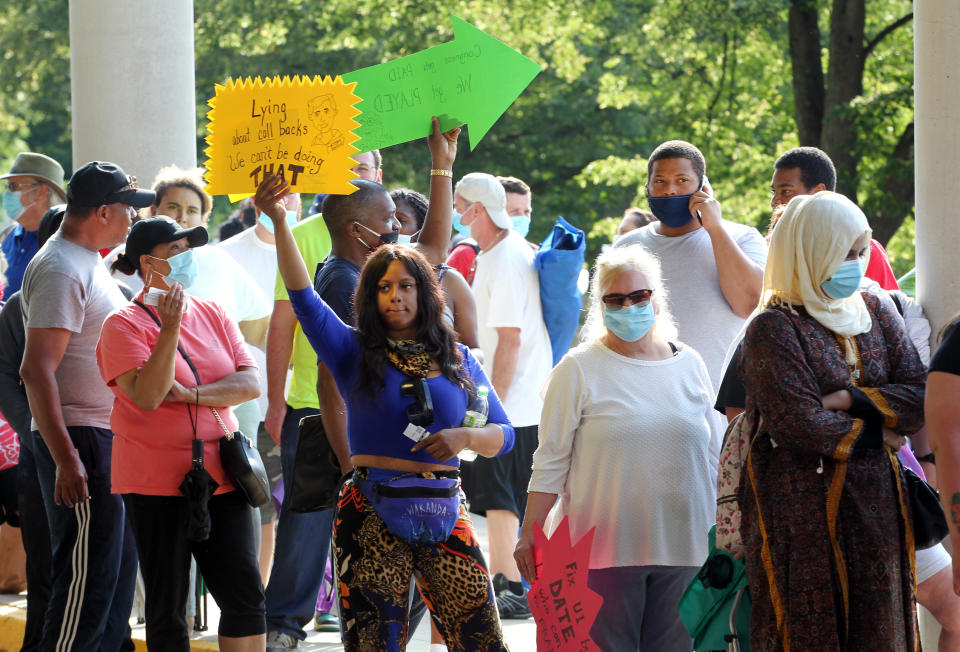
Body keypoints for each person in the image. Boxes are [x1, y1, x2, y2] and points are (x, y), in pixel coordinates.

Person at [257, 169, 515, 651]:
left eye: (405, 286)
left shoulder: (456, 359)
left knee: (483, 643)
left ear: (424, 292)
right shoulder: (353, 352)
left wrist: (466, 438)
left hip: (446, 509)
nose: (395, 295)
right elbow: (303, 299)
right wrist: (278, 219)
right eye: (382, 288)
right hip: (371, 510)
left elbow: (505, 433)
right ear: (368, 297)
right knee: (376, 646)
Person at [739, 191, 925, 650]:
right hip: (800, 511)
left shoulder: (876, 309)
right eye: (845, 252)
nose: (857, 263)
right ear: (811, 248)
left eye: (862, 251)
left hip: (878, 505)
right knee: (810, 629)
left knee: (880, 624)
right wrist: (881, 430)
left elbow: (919, 394)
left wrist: (847, 399)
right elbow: (798, 423)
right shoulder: (773, 328)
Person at [515, 244, 717, 651]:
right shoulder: (577, 368)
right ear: (600, 305)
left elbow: (712, 454)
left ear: (656, 299)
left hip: (686, 547)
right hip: (600, 552)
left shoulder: (691, 362)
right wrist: (528, 533)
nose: (630, 306)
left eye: (639, 296)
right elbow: (550, 460)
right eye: (616, 299)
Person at [97, 216, 264, 652]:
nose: (189, 258)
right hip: (155, 482)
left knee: (244, 594)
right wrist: (168, 327)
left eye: (190, 248)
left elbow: (250, 384)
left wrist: (191, 394)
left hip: (224, 475)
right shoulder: (123, 324)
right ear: (149, 262)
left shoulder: (213, 311)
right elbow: (150, 396)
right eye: (177, 250)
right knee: (169, 607)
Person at [20, 161, 148, 651]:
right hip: (82, 440)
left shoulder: (87, 258)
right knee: (85, 589)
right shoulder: (60, 267)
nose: (133, 219)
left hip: (105, 437)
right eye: (128, 210)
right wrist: (67, 459)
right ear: (101, 211)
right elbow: (36, 370)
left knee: (113, 590)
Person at [262, 150, 383, 644]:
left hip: (376, 415)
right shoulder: (308, 233)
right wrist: (275, 403)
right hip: (311, 405)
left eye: (364, 167)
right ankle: (284, 623)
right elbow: (284, 322)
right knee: (306, 519)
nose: (355, 173)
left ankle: (367, 620)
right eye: (345, 165)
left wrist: (442, 167)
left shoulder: (387, 235)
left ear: (379, 177)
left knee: (378, 520)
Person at [455, 172, 553, 619]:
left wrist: (489, 406)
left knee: (501, 498)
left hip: (514, 405)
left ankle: (512, 585)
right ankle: (508, 581)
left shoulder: (507, 257)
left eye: (459, 205)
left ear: (477, 209)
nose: (457, 214)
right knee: (500, 497)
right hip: (513, 402)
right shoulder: (498, 253)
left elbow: (510, 339)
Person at [615, 140, 767, 394]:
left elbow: (749, 304)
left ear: (703, 186)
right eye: (660, 181)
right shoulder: (628, 246)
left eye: (682, 180)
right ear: (648, 187)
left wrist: (715, 228)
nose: (670, 190)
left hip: (721, 400)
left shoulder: (743, 238)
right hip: (644, 396)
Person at [221, 189, 303, 584]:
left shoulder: (313, 245)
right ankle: (260, 593)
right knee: (260, 503)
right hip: (252, 404)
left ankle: (309, 600)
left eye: (293, 196)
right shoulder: (227, 255)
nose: (283, 204)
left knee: (306, 508)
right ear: (255, 201)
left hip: (307, 401)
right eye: (275, 196)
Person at [0, 206, 63, 651]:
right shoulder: (18, 306)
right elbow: (6, 375)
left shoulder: (114, 293)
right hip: (39, 456)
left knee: (101, 570)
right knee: (44, 566)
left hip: (104, 450)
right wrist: (34, 429)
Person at [770, 146, 899, 289]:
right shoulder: (765, 247)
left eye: (786, 191)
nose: (775, 200)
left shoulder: (865, 251)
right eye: (774, 192)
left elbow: (888, 308)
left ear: (819, 192)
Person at [392, 188, 479, 349]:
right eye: (387, 218)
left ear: (423, 231)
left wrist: (449, 360)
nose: (393, 226)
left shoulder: (450, 280)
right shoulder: (370, 273)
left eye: (401, 219)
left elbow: (474, 349)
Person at [0, 152, 66, 298]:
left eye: (13, 186)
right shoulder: (5, 238)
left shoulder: (62, 245)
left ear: (41, 193)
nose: (7, 193)